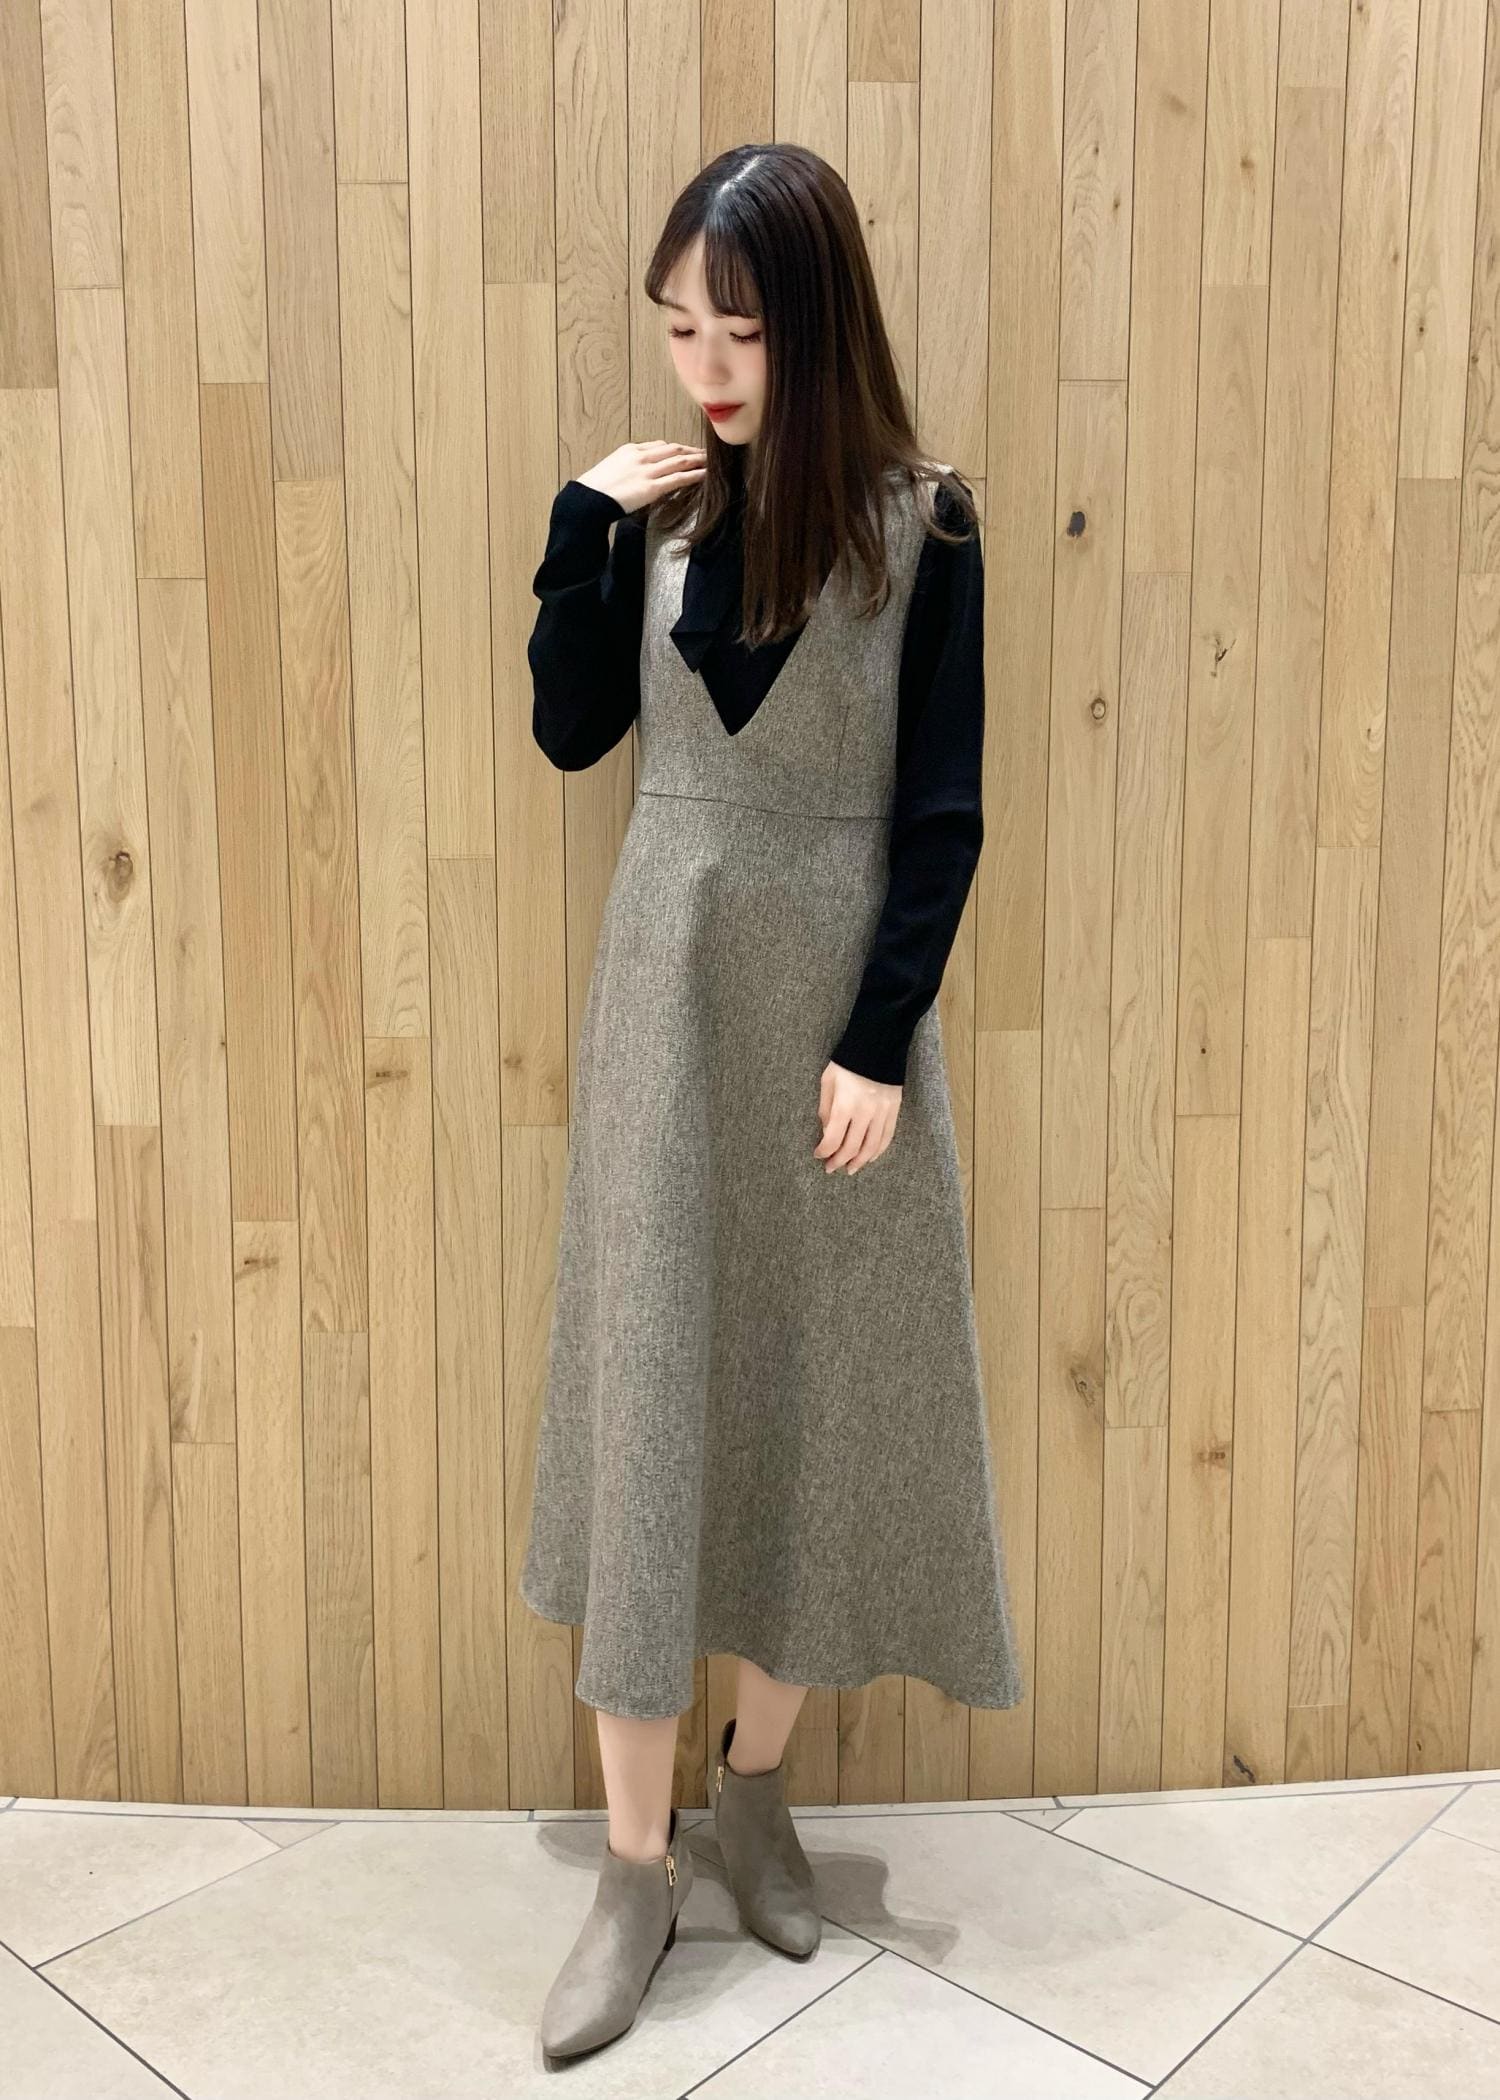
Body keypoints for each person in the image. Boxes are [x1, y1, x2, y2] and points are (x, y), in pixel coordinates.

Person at [519, 140, 1023, 2067]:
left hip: (836, 1041)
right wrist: (578, 520)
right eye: (678, 330)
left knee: (828, 1414)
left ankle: (753, 1793)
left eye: (737, 328)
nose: (706, 368)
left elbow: (943, 813)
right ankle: (636, 1868)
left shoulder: (926, 527)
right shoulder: (653, 516)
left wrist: (880, 1042)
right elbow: (576, 728)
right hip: (669, 1008)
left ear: (816, 321)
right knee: (653, 1408)